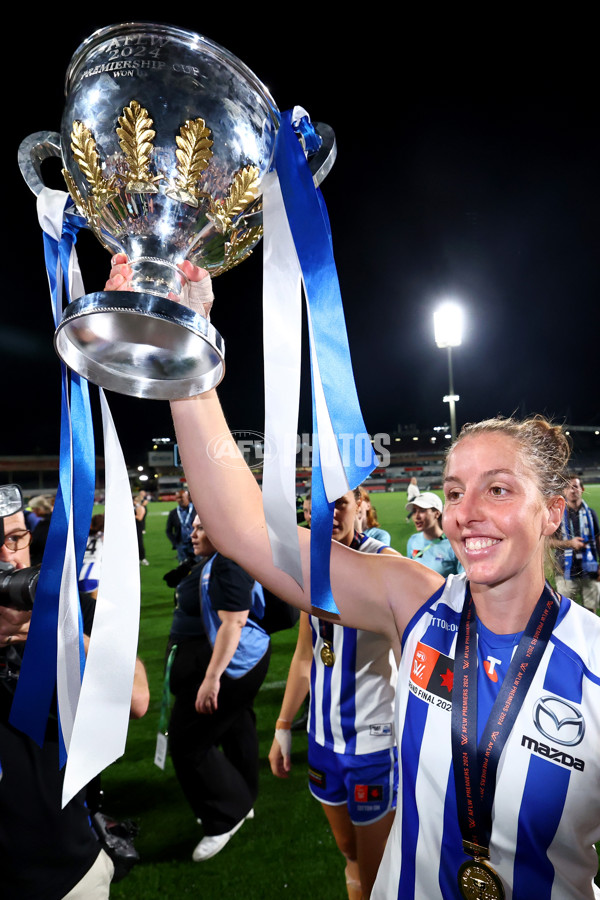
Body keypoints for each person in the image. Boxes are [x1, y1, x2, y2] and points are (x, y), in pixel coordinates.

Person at [108, 257, 600, 898]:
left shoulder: (593, 663)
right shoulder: (416, 602)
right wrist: (187, 350)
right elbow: (243, 530)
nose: (466, 514)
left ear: (552, 510)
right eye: (454, 492)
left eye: (498, 489)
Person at [0, 494, 149, 900]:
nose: (7, 556)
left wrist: (66, 637)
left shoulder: (61, 604)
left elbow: (137, 698)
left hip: (69, 866)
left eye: (15, 538)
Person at [269, 489, 400, 900]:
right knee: (349, 852)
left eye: (340, 502)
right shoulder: (311, 564)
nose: (328, 513)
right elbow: (305, 656)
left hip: (373, 744)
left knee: (379, 866)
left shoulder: (388, 566)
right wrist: (283, 725)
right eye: (316, 504)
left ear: (361, 503)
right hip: (324, 742)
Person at [166, 515, 270, 862]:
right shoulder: (220, 560)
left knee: (187, 743)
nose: (191, 533)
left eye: (200, 527)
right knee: (237, 724)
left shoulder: (228, 562)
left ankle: (227, 814)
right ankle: (244, 795)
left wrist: (211, 679)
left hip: (231, 665)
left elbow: (234, 621)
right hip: (235, 662)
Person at [552, 474, 600, 612]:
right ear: (564, 491)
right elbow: (548, 542)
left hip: (590, 570)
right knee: (567, 614)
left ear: (582, 489)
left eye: (575, 486)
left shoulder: (591, 514)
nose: (572, 490)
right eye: (568, 487)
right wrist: (569, 543)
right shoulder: (557, 516)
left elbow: (598, 540)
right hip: (565, 572)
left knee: (591, 612)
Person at [406, 491, 463, 577]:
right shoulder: (413, 540)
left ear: (436, 514)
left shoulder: (453, 545)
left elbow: (464, 583)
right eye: (414, 511)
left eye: (422, 510)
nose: (416, 516)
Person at [166, 488, 196, 563]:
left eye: (182, 497)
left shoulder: (197, 510)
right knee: (183, 569)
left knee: (198, 567)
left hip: (195, 543)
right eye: (177, 498)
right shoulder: (173, 513)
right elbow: (168, 530)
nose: (180, 500)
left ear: (188, 498)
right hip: (181, 545)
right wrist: (175, 543)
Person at [133, 491, 149, 566]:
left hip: (138, 527)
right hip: (133, 528)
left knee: (139, 543)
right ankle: (136, 559)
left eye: (135, 500)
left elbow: (139, 518)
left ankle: (143, 558)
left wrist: (130, 516)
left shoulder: (140, 508)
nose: (134, 502)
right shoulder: (133, 508)